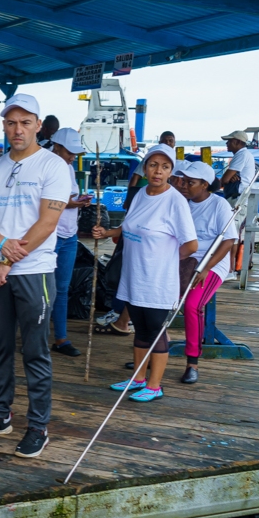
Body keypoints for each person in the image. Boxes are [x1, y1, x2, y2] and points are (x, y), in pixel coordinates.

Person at [0, 94, 70, 459]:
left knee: (35, 351)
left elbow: (48, 221)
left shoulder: (54, 166)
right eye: (11, 122)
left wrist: (7, 260)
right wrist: (2, 245)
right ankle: (0, 414)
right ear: (3, 125)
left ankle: (38, 425)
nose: (17, 129)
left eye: (25, 122)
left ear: (38, 126)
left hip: (33, 271)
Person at [92, 144, 197, 402]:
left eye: (164, 167)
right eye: (153, 165)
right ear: (145, 167)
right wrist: (107, 233)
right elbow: (130, 227)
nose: (157, 171)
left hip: (157, 280)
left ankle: (155, 385)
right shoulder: (140, 194)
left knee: (155, 330)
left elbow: (191, 245)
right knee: (138, 328)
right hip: (134, 275)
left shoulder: (175, 201)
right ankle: (138, 377)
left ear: (172, 171)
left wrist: (166, 260)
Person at [174, 161, 236, 384]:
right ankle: (152, 352)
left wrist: (206, 267)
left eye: (190, 182)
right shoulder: (182, 204)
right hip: (183, 259)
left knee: (193, 305)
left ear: (204, 184)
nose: (185, 186)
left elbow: (228, 240)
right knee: (156, 300)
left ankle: (192, 362)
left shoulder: (219, 205)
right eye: (183, 181)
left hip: (212, 262)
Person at [48, 128, 91, 357]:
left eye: (76, 152)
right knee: (44, 290)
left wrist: (78, 201)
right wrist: (72, 203)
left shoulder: (68, 167)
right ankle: (35, 337)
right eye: (70, 151)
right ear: (57, 147)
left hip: (69, 235)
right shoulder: (44, 166)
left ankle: (61, 338)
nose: (73, 156)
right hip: (49, 235)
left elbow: (67, 198)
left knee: (62, 289)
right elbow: (47, 200)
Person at [128, 131, 176, 195]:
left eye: (170, 141)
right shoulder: (151, 158)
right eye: (153, 165)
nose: (167, 143)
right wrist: (130, 195)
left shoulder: (176, 160)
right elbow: (135, 176)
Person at [220, 130, 256, 202]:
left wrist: (227, 178)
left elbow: (225, 180)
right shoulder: (244, 154)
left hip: (237, 198)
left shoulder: (241, 155)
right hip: (239, 197)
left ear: (237, 142)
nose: (227, 143)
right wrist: (230, 177)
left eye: (229, 141)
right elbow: (227, 178)